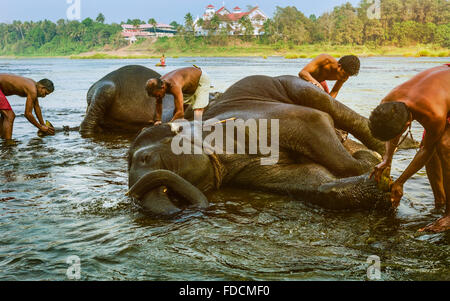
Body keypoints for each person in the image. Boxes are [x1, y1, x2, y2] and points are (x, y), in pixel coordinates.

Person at [369, 64, 450, 233]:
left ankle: (449, 215)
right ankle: (440, 203)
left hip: (440, 95)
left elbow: (426, 150)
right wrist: (387, 160)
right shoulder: (387, 103)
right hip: (438, 87)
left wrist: (400, 182)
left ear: (407, 124)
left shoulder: (433, 113)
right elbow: (394, 134)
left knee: (444, 146)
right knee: (433, 146)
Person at [145, 66, 210, 125]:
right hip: (187, 87)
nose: (157, 98)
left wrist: (168, 125)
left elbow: (180, 113)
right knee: (179, 109)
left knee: (198, 108)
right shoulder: (159, 84)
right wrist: (158, 120)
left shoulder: (174, 85)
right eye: (155, 96)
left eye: (158, 95)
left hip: (200, 79)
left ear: (163, 87)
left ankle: (197, 127)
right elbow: (158, 103)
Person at [0, 74, 55, 141]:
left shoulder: (34, 85)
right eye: (45, 93)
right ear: (42, 87)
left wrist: (43, 125)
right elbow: (28, 114)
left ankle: (3, 141)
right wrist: (40, 127)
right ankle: (8, 145)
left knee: (4, 115)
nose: (44, 96)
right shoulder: (32, 90)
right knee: (9, 116)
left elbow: (37, 107)